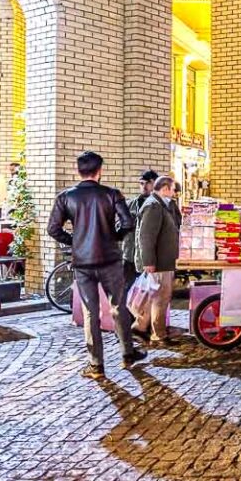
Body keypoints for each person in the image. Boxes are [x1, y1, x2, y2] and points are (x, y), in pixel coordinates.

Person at [47, 151, 145, 379]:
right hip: (110, 259)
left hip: (82, 263)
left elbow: (53, 229)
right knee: (118, 306)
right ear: (100, 171)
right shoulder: (112, 194)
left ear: (77, 170)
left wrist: (75, 241)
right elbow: (128, 223)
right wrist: (115, 237)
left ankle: (96, 365)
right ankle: (127, 354)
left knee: (91, 312)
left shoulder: (65, 197)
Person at [133, 176, 181, 345]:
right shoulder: (153, 206)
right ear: (164, 189)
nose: (175, 193)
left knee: (156, 297)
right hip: (159, 261)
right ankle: (158, 335)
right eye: (173, 189)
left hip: (165, 260)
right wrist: (149, 262)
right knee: (161, 298)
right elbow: (146, 237)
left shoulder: (163, 205)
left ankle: (139, 328)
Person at [122, 170, 158, 291]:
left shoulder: (160, 205)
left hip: (149, 258)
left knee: (147, 292)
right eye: (141, 183)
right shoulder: (131, 204)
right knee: (127, 290)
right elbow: (120, 227)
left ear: (154, 183)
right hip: (130, 254)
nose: (144, 187)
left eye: (147, 183)